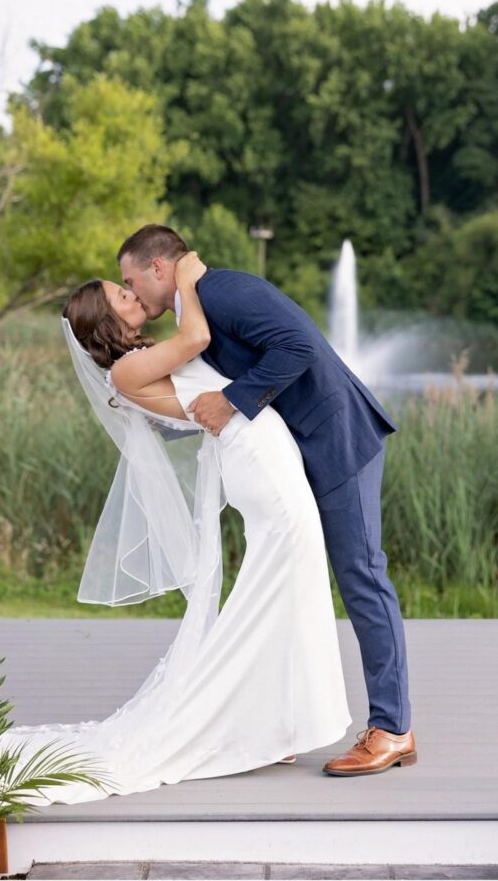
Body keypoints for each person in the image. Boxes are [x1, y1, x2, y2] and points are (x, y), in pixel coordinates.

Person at [0, 250, 353, 802]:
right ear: (106, 321)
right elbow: (197, 339)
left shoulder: (141, 358)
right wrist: (184, 277)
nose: (132, 294)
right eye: (121, 294)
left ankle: (268, 723)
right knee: (281, 587)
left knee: (282, 590)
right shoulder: (124, 371)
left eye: (127, 286)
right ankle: (249, 720)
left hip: (261, 452)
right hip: (258, 461)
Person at [117, 226, 416, 777]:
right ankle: (284, 725)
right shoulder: (198, 309)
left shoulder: (224, 291)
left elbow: (298, 347)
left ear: (158, 268)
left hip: (338, 440)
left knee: (362, 577)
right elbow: (215, 387)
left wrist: (232, 400)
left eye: (130, 281)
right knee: (297, 584)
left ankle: (393, 729)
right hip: (304, 452)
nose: (131, 292)